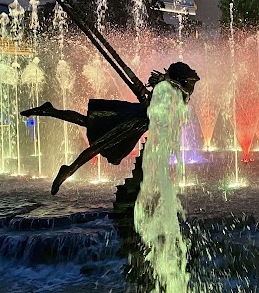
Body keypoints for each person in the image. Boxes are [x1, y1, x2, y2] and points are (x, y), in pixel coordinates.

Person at [21, 61, 199, 195]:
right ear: (181, 79)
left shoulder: (176, 91)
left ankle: (50, 110)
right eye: (191, 82)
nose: (192, 86)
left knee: (88, 122)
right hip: (136, 120)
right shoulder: (167, 89)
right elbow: (155, 107)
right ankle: (69, 169)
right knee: (99, 144)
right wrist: (146, 95)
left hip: (138, 118)